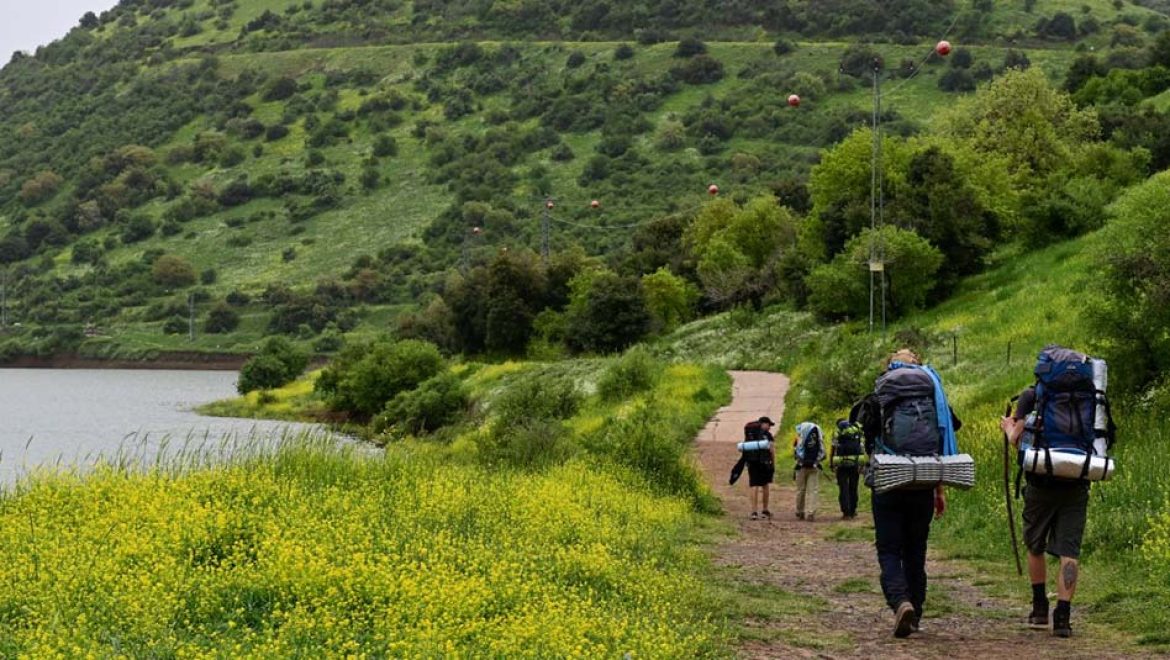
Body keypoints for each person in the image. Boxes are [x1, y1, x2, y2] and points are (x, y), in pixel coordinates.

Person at [999, 345, 1110, 638]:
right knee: (1069, 552)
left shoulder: (1030, 395)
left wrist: (1007, 427)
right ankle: (1063, 617)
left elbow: (1017, 440)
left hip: (1041, 483)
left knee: (1035, 545)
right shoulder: (1091, 398)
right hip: (1077, 483)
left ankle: (1039, 609)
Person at [857, 348, 961, 638]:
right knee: (916, 549)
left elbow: (865, 431)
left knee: (889, 548)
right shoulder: (933, 392)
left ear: (890, 366)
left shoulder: (881, 393)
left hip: (889, 480)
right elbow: (949, 429)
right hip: (924, 481)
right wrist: (939, 488)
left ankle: (901, 601)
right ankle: (916, 610)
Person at [831, 418, 864, 519]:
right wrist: (861, 464)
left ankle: (846, 513)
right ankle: (853, 510)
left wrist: (832, 463)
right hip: (855, 462)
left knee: (843, 488)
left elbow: (833, 447)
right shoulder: (856, 430)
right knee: (853, 487)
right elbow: (862, 446)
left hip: (841, 463)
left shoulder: (837, 432)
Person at [745, 416, 776, 520]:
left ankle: (754, 512)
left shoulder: (750, 433)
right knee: (765, 485)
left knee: (754, 485)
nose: (770, 427)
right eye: (769, 425)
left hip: (752, 462)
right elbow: (772, 450)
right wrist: (773, 464)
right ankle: (765, 510)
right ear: (764, 423)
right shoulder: (767, 435)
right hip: (764, 463)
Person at [793, 422, 825, 521]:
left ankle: (800, 511)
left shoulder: (799, 438)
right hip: (814, 467)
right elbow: (823, 453)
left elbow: (795, 454)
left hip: (801, 467)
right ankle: (811, 513)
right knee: (813, 491)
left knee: (800, 490)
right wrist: (816, 462)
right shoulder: (818, 436)